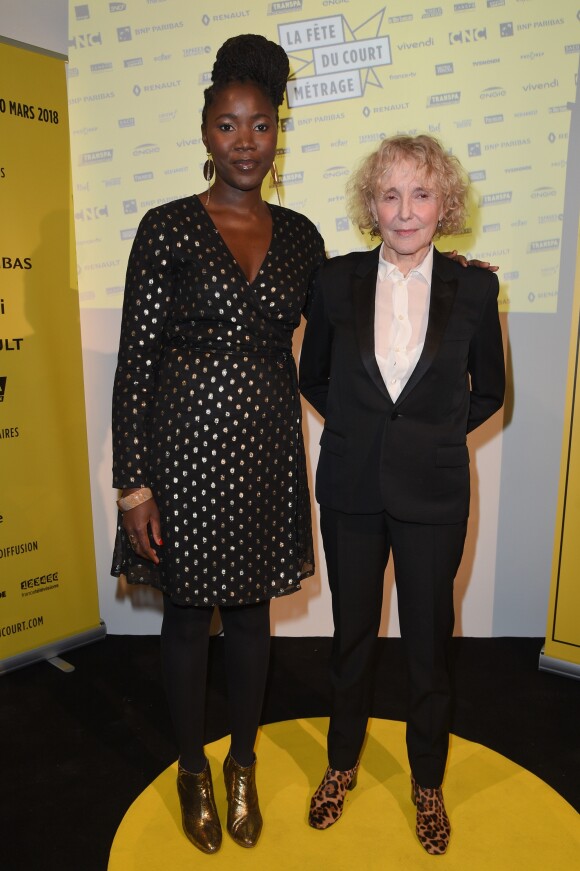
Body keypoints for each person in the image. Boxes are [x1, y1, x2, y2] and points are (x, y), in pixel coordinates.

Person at [111, 34, 326, 854]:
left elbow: (356, 316)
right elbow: (135, 362)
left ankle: (242, 761)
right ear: (206, 130)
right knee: (187, 616)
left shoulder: (303, 237)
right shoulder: (165, 228)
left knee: (251, 619)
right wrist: (135, 486)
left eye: (261, 124)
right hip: (183, 452)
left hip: (267, 450)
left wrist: (452, 279)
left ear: (278, 132)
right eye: (229, 124)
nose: (245, 140)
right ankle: (192, 767)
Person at [299, 134, 505, 855]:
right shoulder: (332, 281)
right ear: (371, 205)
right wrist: (365, 434)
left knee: (426, 646)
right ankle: (339, 764)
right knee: (350, 639)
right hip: (352, 489)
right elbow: (314, 377)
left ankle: (426, 782)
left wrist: (431, 436)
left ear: (443, 203)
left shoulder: (476, 287)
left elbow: (490, 393)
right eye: (390, 193)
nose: (405, 208)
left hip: (434, 494)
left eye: (421, 193)